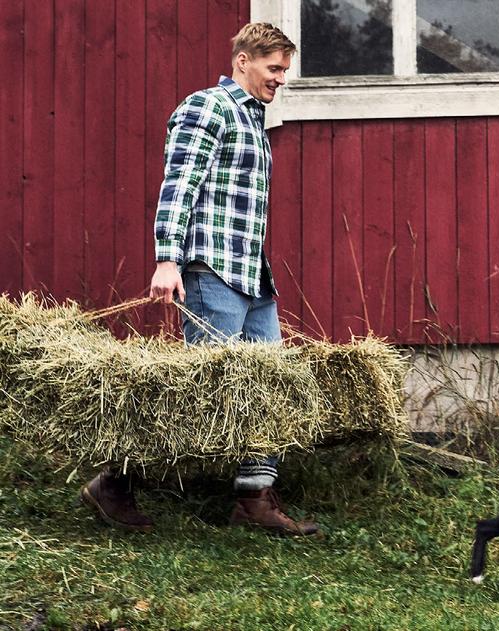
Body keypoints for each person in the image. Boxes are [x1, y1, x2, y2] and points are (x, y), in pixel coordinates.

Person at [80, 23, 317, 536]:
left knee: (269, 385)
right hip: (211, 270)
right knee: (197, 394)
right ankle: (115, 482)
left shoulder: (253, 119)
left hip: (252, 276)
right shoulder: (207, 107)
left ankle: (253, 497)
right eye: (273, 68)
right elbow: (179, 183)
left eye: (284, 70)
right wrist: (168, 258)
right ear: (242, 61)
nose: (280, 80)